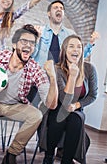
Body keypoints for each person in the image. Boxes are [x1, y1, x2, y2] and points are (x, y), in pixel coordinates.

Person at [0, 24, 58, 164]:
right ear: (14, 44)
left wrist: (53, 77)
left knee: (36, 115)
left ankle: (11, 154)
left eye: (32, 43)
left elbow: (51, 104)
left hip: (15, 105)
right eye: (24, 41)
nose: (28, 45)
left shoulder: (35, 69)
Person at [40, 35, 98, 164]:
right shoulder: (57, 70)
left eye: (79, 47)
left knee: (76, 120)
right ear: (64, 50)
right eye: (71, 46)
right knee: (59, 118)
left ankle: (66, 160)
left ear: (82, 51)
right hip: (57, 107)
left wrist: (77, 105)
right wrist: (72, 77)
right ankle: (49, 156)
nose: (75, 50)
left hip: (76, 110)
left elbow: (93, 95)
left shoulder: (89, 69)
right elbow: (65, 101)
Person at [33, 0, 99, 67]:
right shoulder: (40, 31)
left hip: (61, 75)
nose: (59, 9)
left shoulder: (70, 34)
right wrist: (36, 39)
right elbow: (31, 55)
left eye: (61, 8)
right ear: (49, 13)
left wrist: (90, 43)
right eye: (56, 8)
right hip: (41, 74)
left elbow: (78, 56)